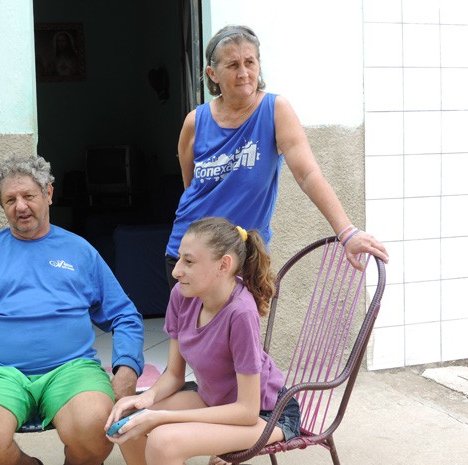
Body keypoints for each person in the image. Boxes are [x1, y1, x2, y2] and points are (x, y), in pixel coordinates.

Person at [0, 154, 145, 465]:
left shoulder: (79, 251)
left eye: (28, 195)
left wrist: (127, 370)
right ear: (2, 206)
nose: (20, 206)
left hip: (72, 369)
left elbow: (125, 316)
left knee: (97, 425)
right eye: (10, 199)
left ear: (48, 194)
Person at [165, 25, 389, 288]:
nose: (244, 73)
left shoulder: (274, 111)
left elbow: (308, 175)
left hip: (243, 258)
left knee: (241, 329)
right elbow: (191, 188)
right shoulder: (195, 122)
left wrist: (347, 232)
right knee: (189, 331)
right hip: (190, 256)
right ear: (212, 74)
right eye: (233, 65)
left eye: (250, 62)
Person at [105, 217, 300, 465]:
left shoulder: (240, 312)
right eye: (178, 259)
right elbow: (175, 375)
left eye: (189, 262)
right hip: (214, 399)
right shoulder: (182, 295)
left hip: (266, 414)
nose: (176, 271)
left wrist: (162, 417)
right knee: (129, 417)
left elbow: (247, 411)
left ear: (224, 265)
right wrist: (148, 398)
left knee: (164, 440)